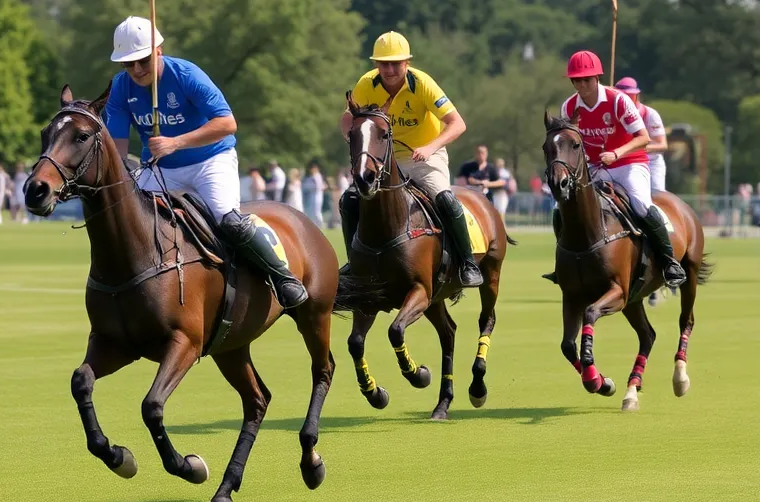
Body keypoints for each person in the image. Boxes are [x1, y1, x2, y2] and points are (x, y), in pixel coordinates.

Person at [103, 15, 307, 308]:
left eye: (143, 60)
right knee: (129, 218)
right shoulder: (120, 89)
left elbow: (227, 123)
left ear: (158, 50)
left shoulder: (186, 75)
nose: (136, 69)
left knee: (227, 218)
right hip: (159, 169)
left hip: (210, 160)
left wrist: (175, 142)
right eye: (128, 63)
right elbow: (118, 148)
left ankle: (281, 276)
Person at [339, 30, 483, 287]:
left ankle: (467, 262)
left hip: (425, 157)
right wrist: (357, 144)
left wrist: (430, 147)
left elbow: (457, 123)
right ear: (376, 65)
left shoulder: (423, 83)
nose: (390, 69)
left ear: (407, 62)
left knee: (445, 199)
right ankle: (354, 261)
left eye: (396, 63)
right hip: (386, 161)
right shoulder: (366, 84)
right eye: (384, 63)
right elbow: (348, 119)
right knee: (349, 200)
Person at [559, 50, 686, 287]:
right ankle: (565, 263)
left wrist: (617, 153)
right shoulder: (568, 108)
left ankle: (669, 261)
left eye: (587, 79)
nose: (582, 85)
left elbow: (644, 137)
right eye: (577, 80)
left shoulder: (618, 100)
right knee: (563, 208)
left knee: (640, 204)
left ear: (597, 78)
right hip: (594, 167)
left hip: (629, 163)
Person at [615, 77, 668, 193]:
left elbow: (662, 145)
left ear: (636, 95)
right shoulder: (613, 114)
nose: (625, 98)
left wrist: (635, 149)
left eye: (629, 95)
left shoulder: (650, 114)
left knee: (656, 196)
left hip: (651, 163)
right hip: (624, 163)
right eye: (621, 95)